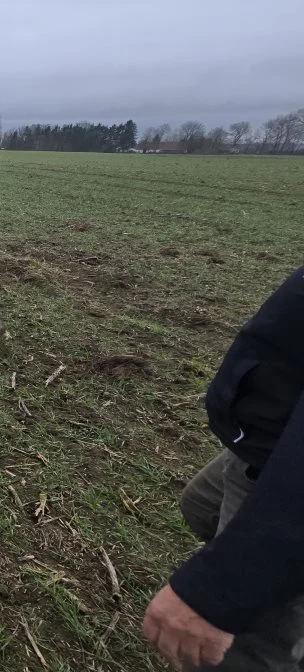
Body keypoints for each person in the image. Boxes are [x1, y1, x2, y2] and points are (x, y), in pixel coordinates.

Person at [144, 266, 304, 671]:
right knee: (201, 505)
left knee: (246, 657)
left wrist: (226, 586)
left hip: (280, 473)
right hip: (262, 440)